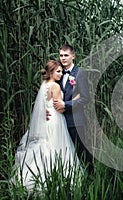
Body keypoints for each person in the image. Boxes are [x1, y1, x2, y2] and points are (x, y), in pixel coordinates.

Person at [13, 60, 81, 190]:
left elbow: (42, 106)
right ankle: (56, 176)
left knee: (46, 146)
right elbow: (60, 108)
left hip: (47, 121)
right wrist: (74, 100)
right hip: (56, 120)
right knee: (57, 148)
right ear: (51, 72)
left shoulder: (44, 85)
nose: (61, 74)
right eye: (58, 71)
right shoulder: (55, 86)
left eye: (61, 71)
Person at [52, 44, 93, 172]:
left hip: (76, 121)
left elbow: (86, 98)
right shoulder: (58, 73)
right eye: (61, 55)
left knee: (82, 152)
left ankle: (92, 177)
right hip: (61, 121)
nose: (63, 58)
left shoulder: (79, 74)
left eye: (66, 55)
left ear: (73, 56)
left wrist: (67, 104)